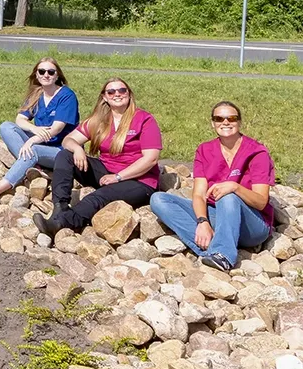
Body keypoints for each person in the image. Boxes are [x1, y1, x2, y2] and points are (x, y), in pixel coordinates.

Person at [149, 103, 274, 272]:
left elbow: (261, 202)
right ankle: (212, 248)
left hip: (253, 224)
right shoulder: (205, 150)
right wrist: (203, 221)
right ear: (212, 123)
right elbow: (199, 195)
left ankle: (224, 255)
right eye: (219, 118)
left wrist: (235, 187)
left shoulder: (257, 152)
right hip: (219, 215)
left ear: (240, 122)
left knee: (227, 194)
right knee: (158, 199)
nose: (225, 122)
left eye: (231, 118)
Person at [33, 78, 161, 238]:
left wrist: (118, 177)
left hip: (139, 181)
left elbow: (151, 159)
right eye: (111, 91)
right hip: (106, 171)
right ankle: (60, 208)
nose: (117, 94)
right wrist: (77, 148)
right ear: (104, 97)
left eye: (122, 90)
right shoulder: (99, 120)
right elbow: (68, 140)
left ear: (129, 94)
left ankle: (63, 224)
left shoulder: (144, 119)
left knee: (98, 197)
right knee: (65, 155)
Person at [0, 58, 78, 202]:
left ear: (57, 75)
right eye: (41, 71)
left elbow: (56, 129)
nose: (46, 75)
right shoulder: (37, 94)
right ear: (36, 74)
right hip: (41, 143)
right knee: (6, 126)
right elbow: (20, 119)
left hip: (60, 151)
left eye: (50, 72)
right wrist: (34, 129)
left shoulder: (67, 96)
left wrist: (32, 141)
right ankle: (34, 166)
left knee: (32, 150)